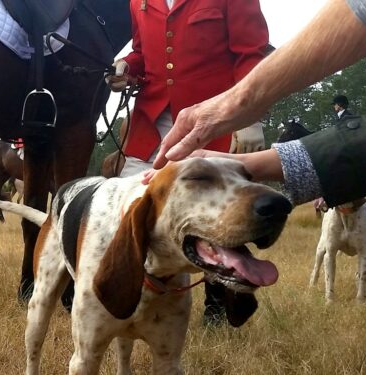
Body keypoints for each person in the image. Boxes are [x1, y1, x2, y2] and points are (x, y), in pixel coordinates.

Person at [146, 0, 366, 209]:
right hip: (154, 120)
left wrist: (246, 110)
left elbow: (250, 48)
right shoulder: (140, 3)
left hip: (214, 123)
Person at [106, 0, 270, 326]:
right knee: (127, 208)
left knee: (216, 217)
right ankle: (130, 299)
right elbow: (144, 52)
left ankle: (218, 305)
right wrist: (127, 66)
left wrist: (248, 116)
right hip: (150, 122)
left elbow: (250, 52)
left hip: (212, 121)